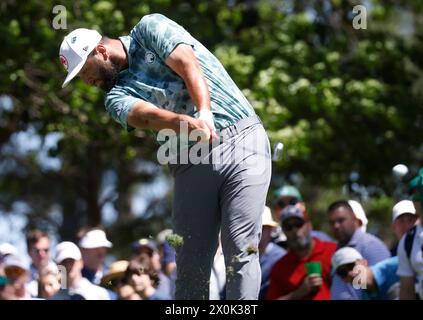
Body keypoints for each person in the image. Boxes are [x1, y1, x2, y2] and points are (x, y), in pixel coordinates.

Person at [59, 13, 271, 299]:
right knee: (190, 263)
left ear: (100, 51)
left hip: (243, 139)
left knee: (239, 246)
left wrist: (204, 112)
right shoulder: (114, 97)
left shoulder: (149, 28)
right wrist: (184, 123)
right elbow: (145, 117)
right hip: (189, 161)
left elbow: (187, 64)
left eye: (85, 71)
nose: (87, 82)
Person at [266, 205, 336, 300]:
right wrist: (297, 293)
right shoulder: (279, 267)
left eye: (299, 224)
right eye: (288, 227)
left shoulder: (333, 251)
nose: (295, 230)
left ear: (309, 225)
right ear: (284, 232)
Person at [327, 200, 391, 300]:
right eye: (332, 222)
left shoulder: (370, 245)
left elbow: (385, 287)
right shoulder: (338, 249)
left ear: (354, 219)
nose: (336, 226)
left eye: (341, 220)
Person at [332, 247, 400, 300]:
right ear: (344, 280)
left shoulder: (395, 266)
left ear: (364, 262)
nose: (350, 273)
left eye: (351, 266)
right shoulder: (365, 296)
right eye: (343, 272)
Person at [258, 206, 286, 299]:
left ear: (270, 230)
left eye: (261, 228)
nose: (257, 232)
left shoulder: (280, 258)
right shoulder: (243, 256)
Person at [26, 230, 57, 297]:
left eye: (46, 250)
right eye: (37, 251)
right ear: (28, 252)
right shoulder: (22, 278)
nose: (42, 254)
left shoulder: (62, 274)